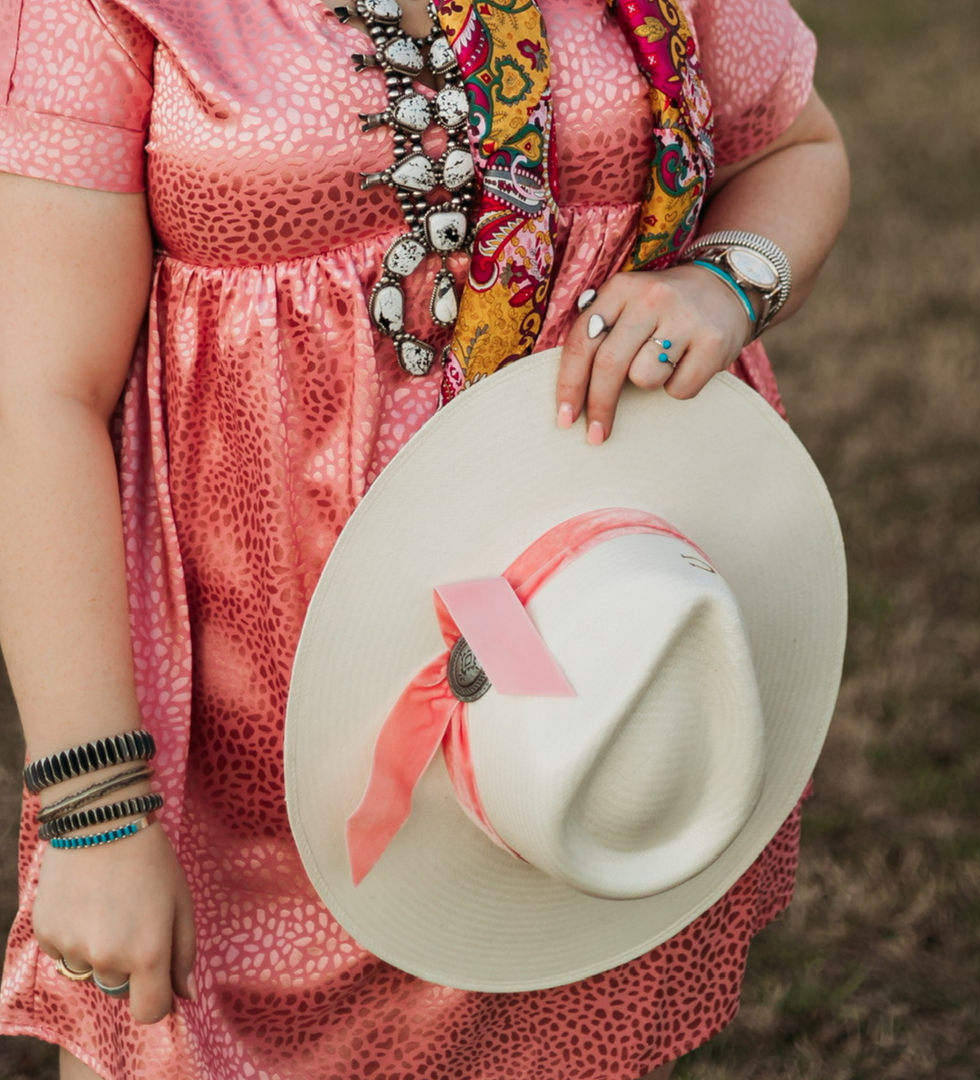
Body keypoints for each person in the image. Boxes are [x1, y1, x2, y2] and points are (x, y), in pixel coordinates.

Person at [0, 0, 849, 1075]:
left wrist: (724, 279)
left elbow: (796, 149)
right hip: (246, 746)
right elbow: (40, 396)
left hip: (581, 690)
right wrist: (98, 812)